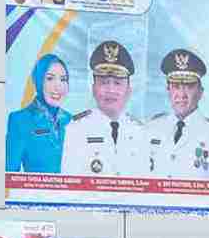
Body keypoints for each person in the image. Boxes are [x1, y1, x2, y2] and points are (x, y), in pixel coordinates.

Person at [60, 39, 147, 177]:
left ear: (129, 90)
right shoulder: (76, 129)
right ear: (93, 88)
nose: (110, 90)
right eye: (104, 82)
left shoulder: (141, 131)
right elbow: (71, 183)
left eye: (117, 83)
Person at [146, 48, 209, 180]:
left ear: (200, 92)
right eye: (176, 86)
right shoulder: (151, 128)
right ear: (168, 90)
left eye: (189, 86)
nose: (181, 95)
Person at [5, 52, 74, 173]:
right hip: (35, 186)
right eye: (50, 78)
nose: (58, 86)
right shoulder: (20, 120)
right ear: (38, 81)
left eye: (63, 79)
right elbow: (10, 173)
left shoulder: (71, 120)